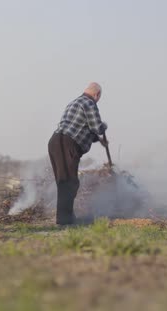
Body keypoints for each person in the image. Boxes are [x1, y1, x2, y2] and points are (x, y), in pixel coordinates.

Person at [48, 82, 108, 225]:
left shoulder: (74, 103)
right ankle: (64, 220)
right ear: (97, 94)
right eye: (99, 97)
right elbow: (96, 127)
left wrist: (99, 140)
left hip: (56, 142)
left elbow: (84, 128)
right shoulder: (89, 103)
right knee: (69, 182)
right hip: (67, 143)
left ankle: (65, 218)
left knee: (64, 182)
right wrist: (104, 126)